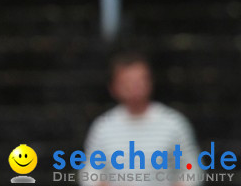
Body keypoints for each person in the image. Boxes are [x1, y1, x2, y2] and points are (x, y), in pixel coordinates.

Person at [82, 51, 201, 184]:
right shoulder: (102, 127)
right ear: (113, 87)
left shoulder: (173, 123)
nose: (135, 87)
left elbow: (191, 169)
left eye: (140, 80)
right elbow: (90, 172)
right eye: (127, 82)